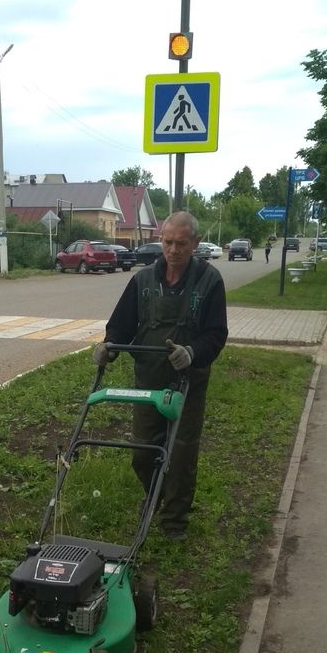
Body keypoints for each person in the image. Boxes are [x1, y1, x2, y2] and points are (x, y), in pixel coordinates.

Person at [93, 211, 228, 541]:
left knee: (181, 452)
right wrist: (108, 346)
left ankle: (174, 521)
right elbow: (121, 324)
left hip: (188, 381)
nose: (173, 249)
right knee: (143, 451)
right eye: (167, 242)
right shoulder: (143, 281)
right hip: (149, 378)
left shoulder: (210, 281)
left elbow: (216, 333)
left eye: (181, 243)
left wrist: (193, 352)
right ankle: (155, 496)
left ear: (194, 243)